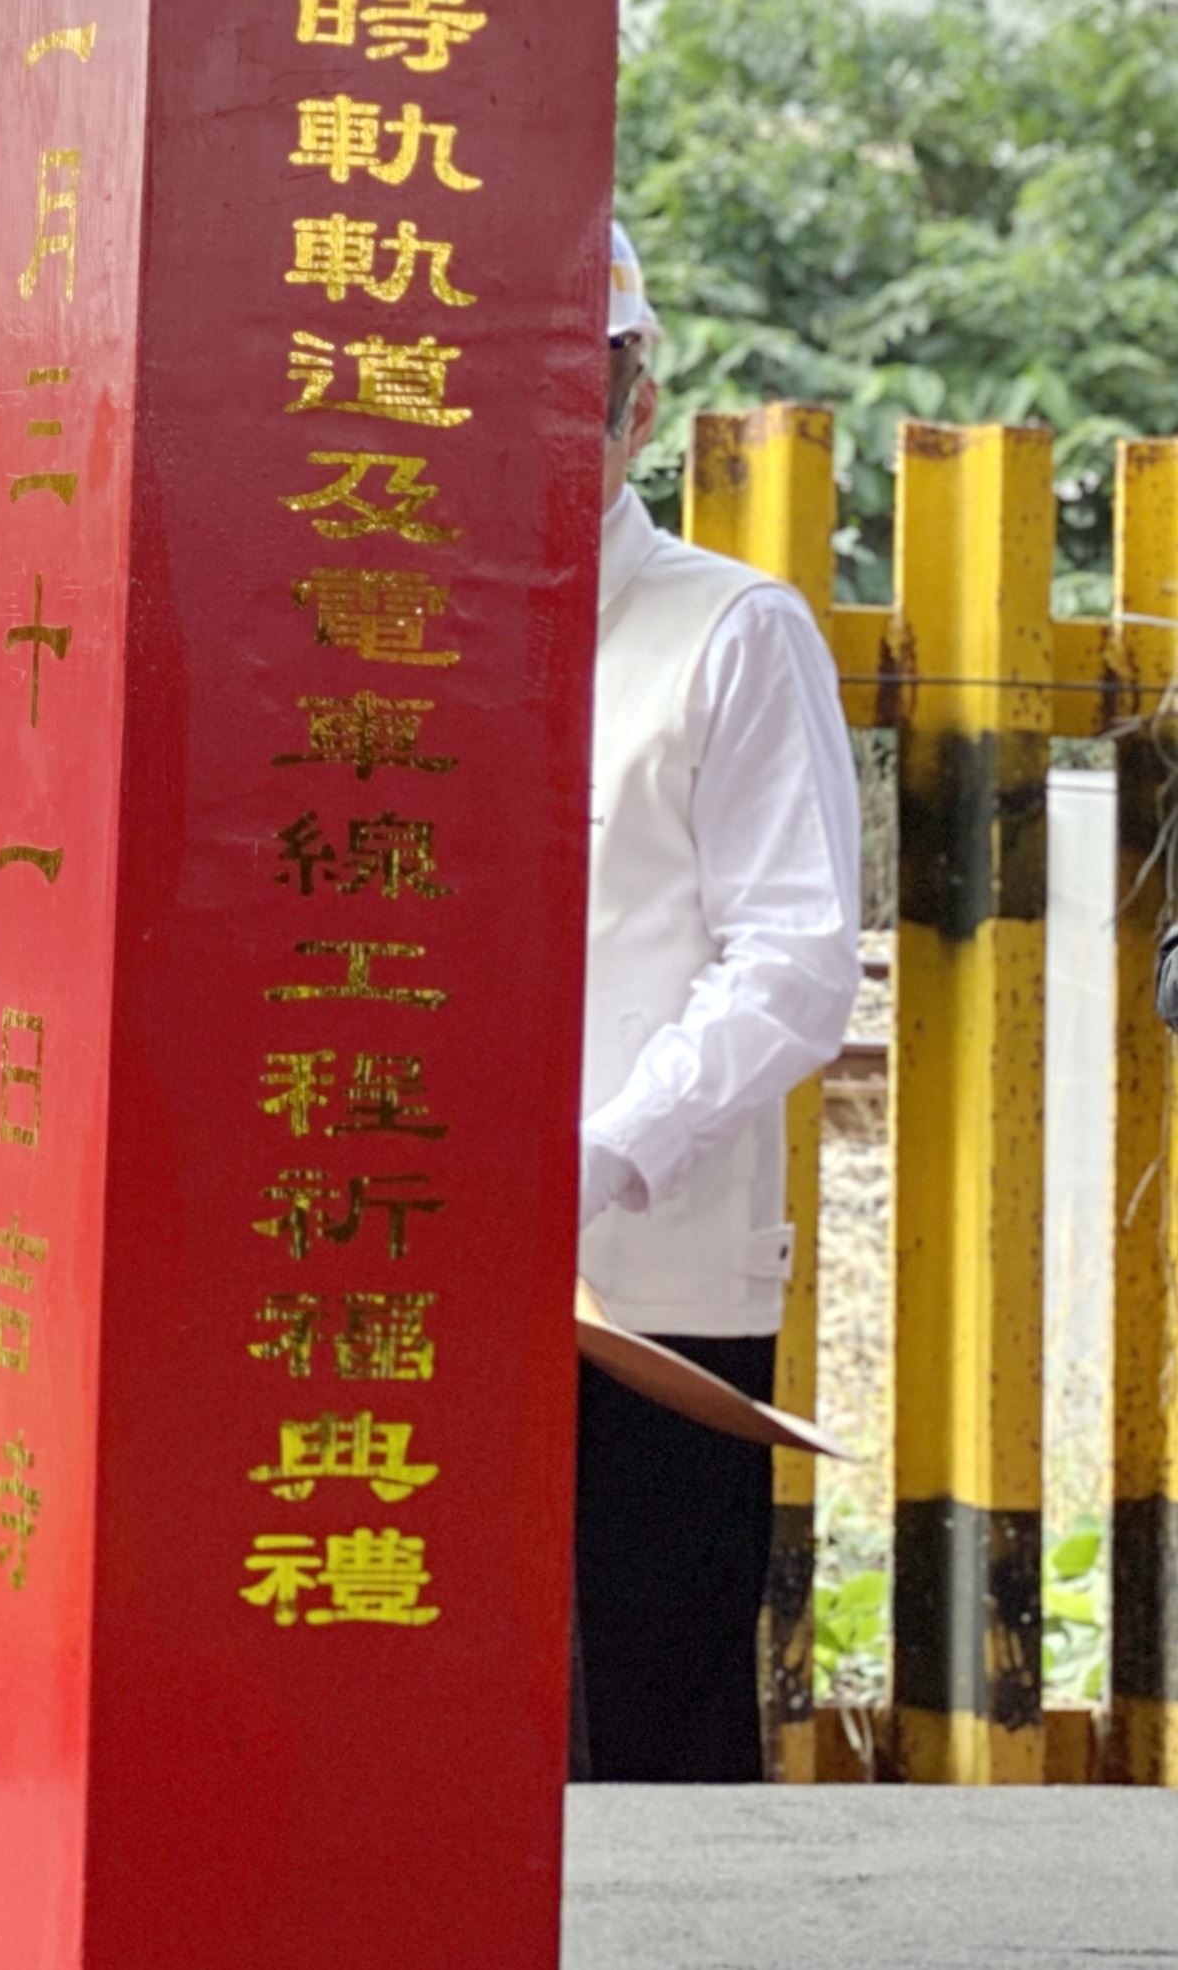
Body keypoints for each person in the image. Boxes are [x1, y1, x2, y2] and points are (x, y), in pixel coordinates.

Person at [575, 218, 863, 1780]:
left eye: (580, 389)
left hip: (650, 1300)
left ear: (637, 406)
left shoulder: (733, 632)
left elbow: (798, 962)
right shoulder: (386, 640)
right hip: (399, 1290)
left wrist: (599, 1154)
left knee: (649, 1724)